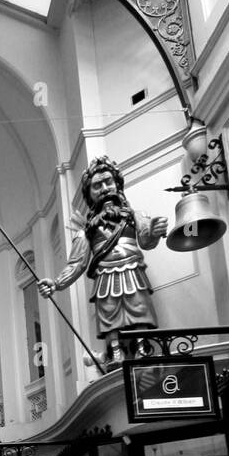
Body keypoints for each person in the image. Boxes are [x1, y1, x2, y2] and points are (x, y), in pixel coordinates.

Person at [38, 155, 168, 366]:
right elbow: (77, 263)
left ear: (117, 185)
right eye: (97, 186)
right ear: (89, 194)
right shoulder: (87, 230)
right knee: (109, 312)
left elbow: (146, 239)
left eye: (109, 182)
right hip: (105, 277)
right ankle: (114, 352)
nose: (105, 189)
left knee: (139, 306)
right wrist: (56, 283)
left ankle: (143, 347)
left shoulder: (134, 215)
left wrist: (154, 231)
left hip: (133, 269)